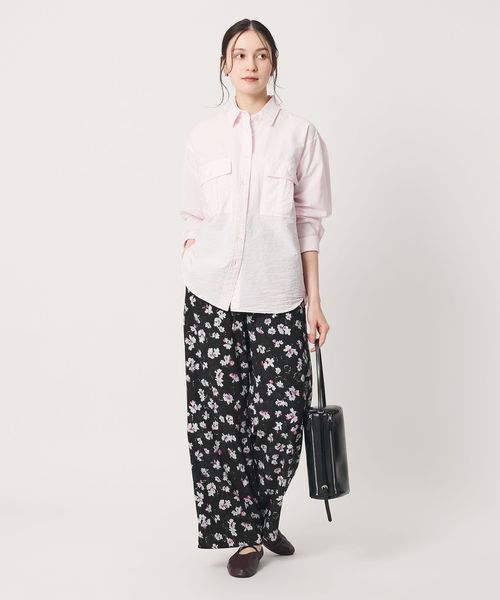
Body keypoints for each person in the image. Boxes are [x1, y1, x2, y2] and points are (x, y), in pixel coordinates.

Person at [180, 19, 333, 577]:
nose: (250, 63)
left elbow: (309, 223)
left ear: (273, 64)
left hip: (279, 295)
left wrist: (315, 302)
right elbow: (193, 214)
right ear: (224, 65)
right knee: (219, 420)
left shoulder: (300, 135)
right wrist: (193, 254)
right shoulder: (203, 137)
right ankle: (245, 534)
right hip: (211, 297)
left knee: (279, 419)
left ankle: (266, 516)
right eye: (240, 54)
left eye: (261, 54)